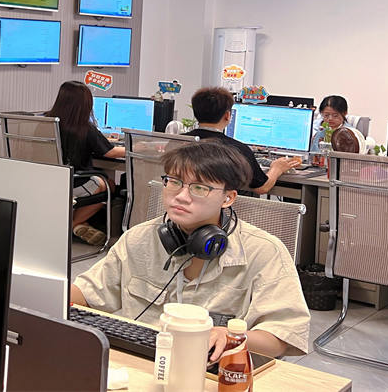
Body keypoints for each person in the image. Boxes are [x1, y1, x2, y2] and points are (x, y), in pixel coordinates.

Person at [71, 141, 310, 359]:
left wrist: (233, 336)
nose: (181, 196)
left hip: (213, 372)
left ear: (228, 198)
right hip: (139, 364)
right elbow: (88, 293)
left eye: (199, 188)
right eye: (174, 182)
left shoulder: (264, 251)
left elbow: (282, 337)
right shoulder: (140, 238)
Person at [45, 81, 126, 247]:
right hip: (73, 181)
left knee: (103, 180)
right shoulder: (84, 128)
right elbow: (110, 152)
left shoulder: (47, 122)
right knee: (109, 186)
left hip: (47, 179)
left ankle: (80, 224)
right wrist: (135, 147)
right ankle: (72, 225)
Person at [185, 87, 301, 194]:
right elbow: (262, 187)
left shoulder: (180, 141)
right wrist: (277, 168)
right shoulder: (237, 149)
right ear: (227, 115)